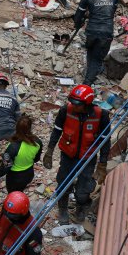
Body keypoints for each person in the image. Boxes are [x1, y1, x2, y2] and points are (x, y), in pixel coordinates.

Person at [42, 84, 110, 224]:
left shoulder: (101, 115)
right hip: (68, 155)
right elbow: (56, 131)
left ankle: (81, 206)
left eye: (77, 104)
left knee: (83, 189)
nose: (74, 105)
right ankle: (63, 209)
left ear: (87, 103)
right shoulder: (66, 110)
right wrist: (49, 151)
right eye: (72, 102)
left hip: (88, 158)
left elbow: (105, 142)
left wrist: (102, 164)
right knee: (64, 183)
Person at [74, 0, 118, 86]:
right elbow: (110, 11)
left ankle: (88, 78)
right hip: (106, 32)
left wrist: (78, 25)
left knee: (91, 52)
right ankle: (87, 82)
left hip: (91, 31)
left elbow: (78, 16)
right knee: (97, 58)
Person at [0, 115, 42, 193]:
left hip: (15, 178)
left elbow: (6, 166)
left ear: (17, 128)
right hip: (29, 174)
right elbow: (36, 159)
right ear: (30, 127)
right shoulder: (37, 142)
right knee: (20, 191)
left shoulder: (13, 147)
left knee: (12, 196)